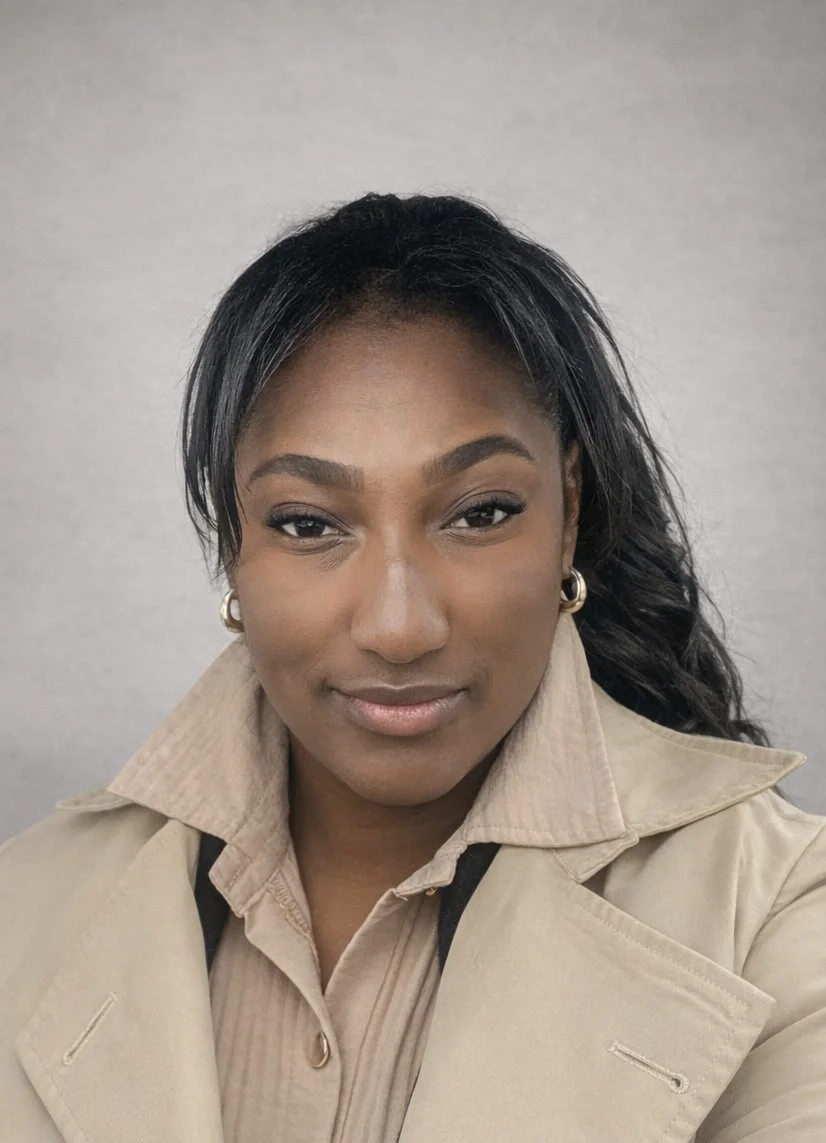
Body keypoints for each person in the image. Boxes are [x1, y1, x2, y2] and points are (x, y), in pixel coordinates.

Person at [1, 192, 824, 1143]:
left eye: (479, 512)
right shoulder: (24, 904)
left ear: (568, 509)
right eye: (308, 524)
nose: (399, 627)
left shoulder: (777, 910)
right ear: (233, 544)